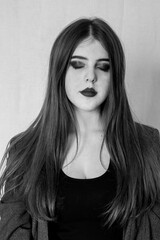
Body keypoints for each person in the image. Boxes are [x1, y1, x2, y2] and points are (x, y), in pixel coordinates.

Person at [0, 17, 160, 240]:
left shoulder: (148, 146)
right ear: (60, 71)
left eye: (103, 67)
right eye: (78, 64)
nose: (90, 76)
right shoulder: (25, 150)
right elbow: (11, 233)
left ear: (115, 77)